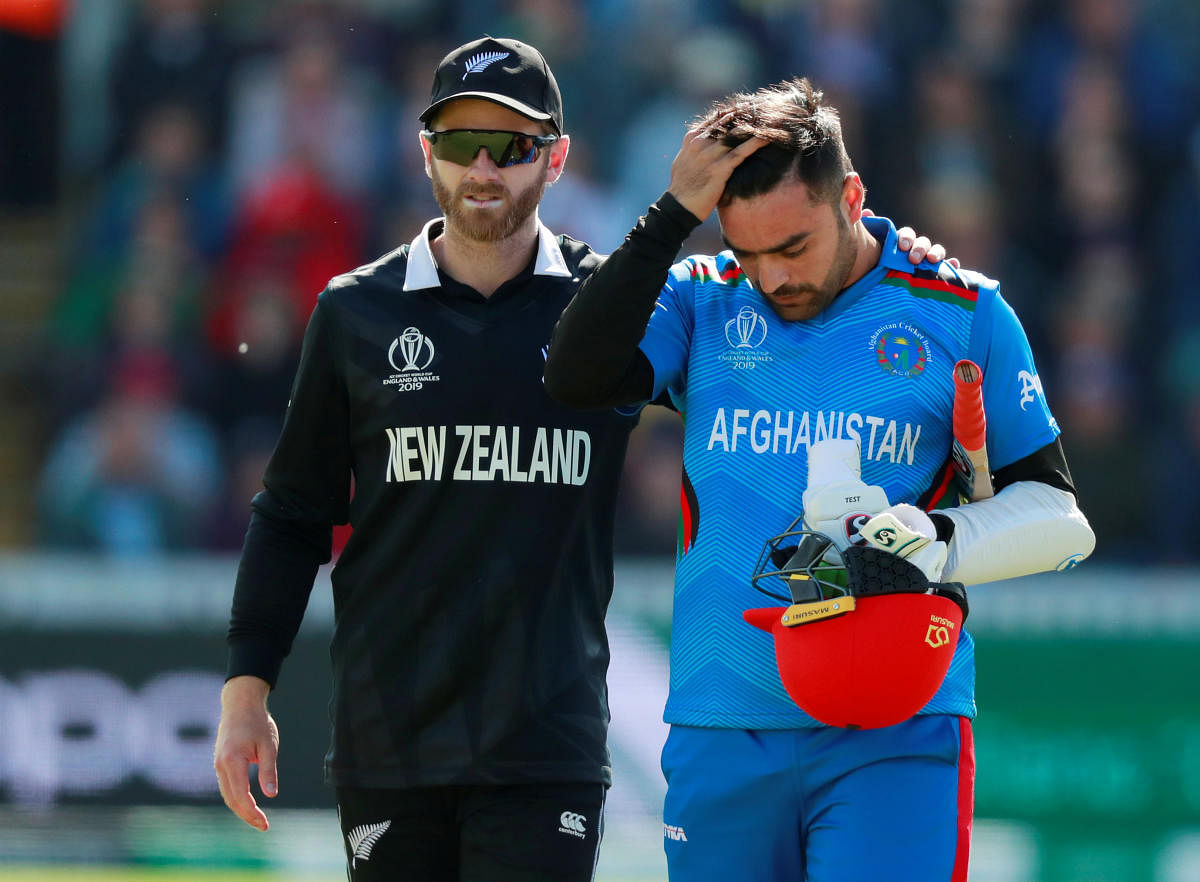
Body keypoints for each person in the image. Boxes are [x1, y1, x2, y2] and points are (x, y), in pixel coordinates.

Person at [211, 39, 947, 879]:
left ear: (556, 159)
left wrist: (891, 258)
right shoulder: (356, 313)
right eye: (459, 143)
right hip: (390, 743)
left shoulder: (622, 306)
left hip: (545, 750)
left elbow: (789, 316)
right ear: (425, 154)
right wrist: (246, 691)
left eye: (515, 146)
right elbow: (292, 513)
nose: (484, 168)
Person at [543, 77, 1096, 881]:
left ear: (851, 197)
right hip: (721, 721)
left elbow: (1061, 518)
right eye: (748, 252)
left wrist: (939, 539)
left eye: (792, 247)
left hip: (897, 724)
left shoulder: (961, 311)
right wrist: (671, 216)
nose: (771, 278)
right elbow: (575, 374)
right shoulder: (701, 303)